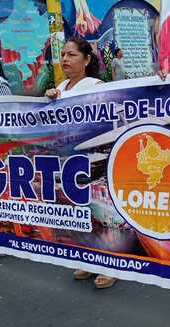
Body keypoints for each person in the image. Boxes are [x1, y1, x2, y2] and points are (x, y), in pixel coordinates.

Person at [44, 38, 117, 289]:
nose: (65, 59)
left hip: (93, 161)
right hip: (69, 163)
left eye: (72, 55)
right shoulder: (61, 87)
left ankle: (109, 264)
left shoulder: (96, 86)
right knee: (80, 212)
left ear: (86, 60)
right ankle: (88, 258)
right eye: (63, 54)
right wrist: (49, 100)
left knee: (101, 212)